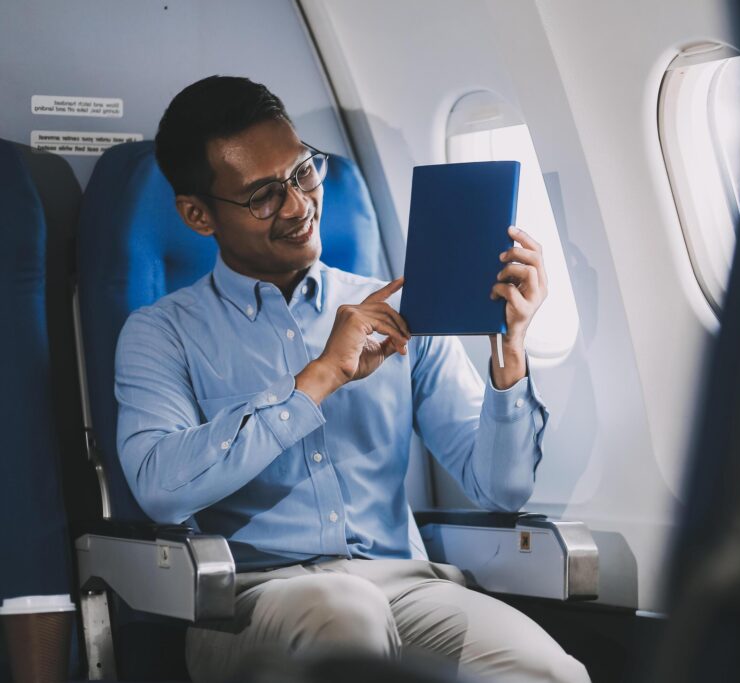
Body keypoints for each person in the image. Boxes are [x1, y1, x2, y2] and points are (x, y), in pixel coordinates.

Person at [114, 75, 588, 683]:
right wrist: (316, 380)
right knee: (346, 615)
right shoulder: (161, 333)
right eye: (263, 196)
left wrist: (512, 350)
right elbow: (159, 487)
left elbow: (502, 489)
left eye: (303, 173)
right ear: (197, 215)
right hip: (252, 605)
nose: (298, 205)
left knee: (553, 673)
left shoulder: (395, 308)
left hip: (407, 590)